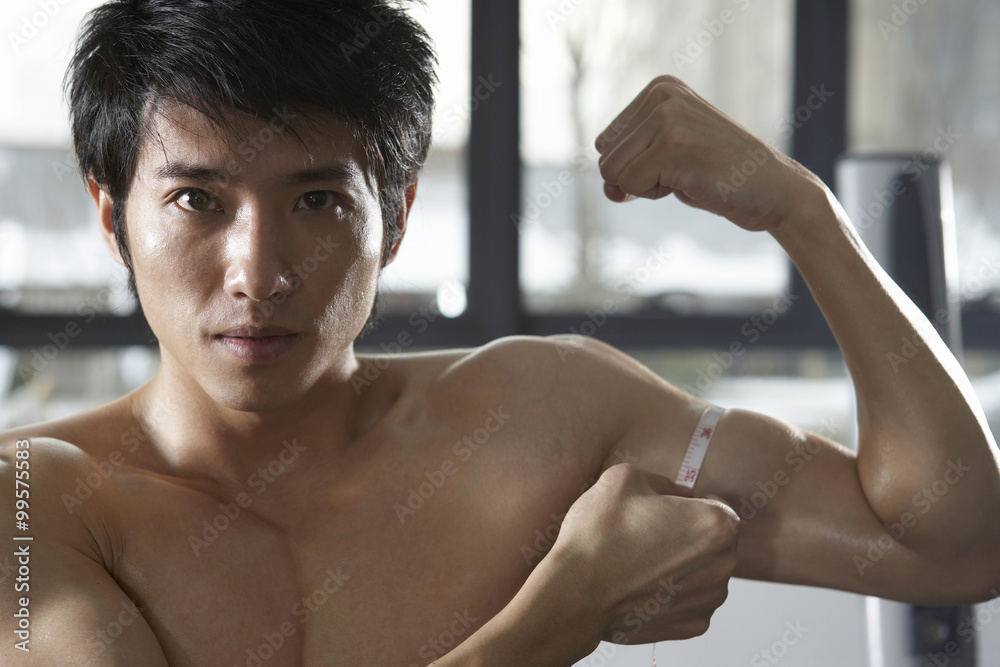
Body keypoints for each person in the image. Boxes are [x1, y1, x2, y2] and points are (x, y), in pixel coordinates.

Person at [2, 1, 999, 665]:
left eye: (316, 199)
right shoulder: (28, 503)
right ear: (110, 216)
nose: (256, 272)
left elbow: (949, 545)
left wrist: (801, 212)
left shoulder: (542, 417)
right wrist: (559, 613)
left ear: (393, 219)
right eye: (196, 200)